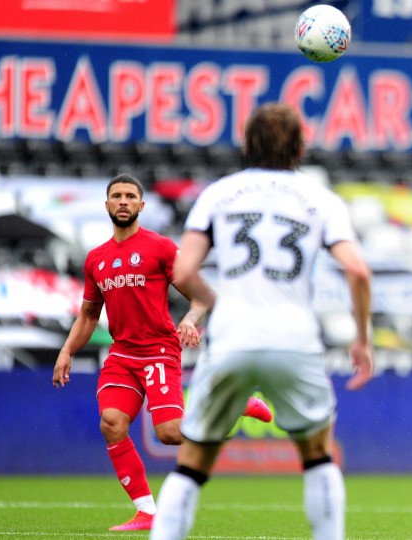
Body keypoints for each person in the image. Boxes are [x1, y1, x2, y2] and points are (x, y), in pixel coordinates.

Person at [149, 102, 374, 540]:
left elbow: (182, 272)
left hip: (232, 336)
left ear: (246, 143)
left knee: (193, 462)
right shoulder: (319, 198)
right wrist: (362, 340)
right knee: (318, 455)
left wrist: (224, 300)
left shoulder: (218, 193)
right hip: (294, 338)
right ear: (300, 147)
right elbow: (359, 271)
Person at [52, 173, 274, 532]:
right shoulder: (96, 259)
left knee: (170, 433)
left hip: (158, 350)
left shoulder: (160, 248)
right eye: (116, 196)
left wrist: (189, 319)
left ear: (141, 205)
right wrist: (66, 351)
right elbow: (89, 315)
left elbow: (203, 294)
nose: (122, 201)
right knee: (112, 423)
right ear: (106, 205)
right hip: (122, 356)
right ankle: (146, 512)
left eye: (129, 196)